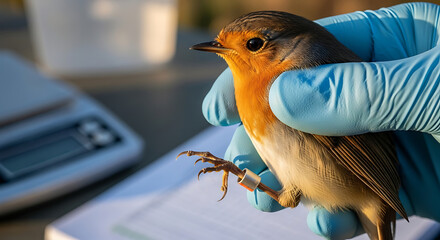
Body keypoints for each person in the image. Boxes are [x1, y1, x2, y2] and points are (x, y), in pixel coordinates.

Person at [201, 2, 440, 239]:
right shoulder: (250, 85)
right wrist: (239, 173)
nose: (228, 48)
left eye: (253, 45)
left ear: (292, 46)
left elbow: (291, 194)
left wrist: (239, 173)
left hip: (362, 176)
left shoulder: (292, 80)